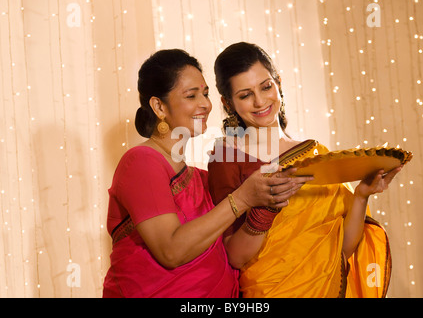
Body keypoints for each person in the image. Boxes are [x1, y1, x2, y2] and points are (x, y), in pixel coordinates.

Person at [102, 49, 304, 298]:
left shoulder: (200, 177)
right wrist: (243, 199)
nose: (205, 104)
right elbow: (171, 251)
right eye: (191, 95)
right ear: (158, 106)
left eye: (206, 94)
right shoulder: (141, 162)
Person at [208, 42, 402, 298]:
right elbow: (233, 256)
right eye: (245, 95)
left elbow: (342, 249)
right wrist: (265, 211)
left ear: (278, 82)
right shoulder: (227, 158)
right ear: (228, 103)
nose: (260, 101)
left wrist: (361, 195)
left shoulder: (315, 153)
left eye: (266, 87)